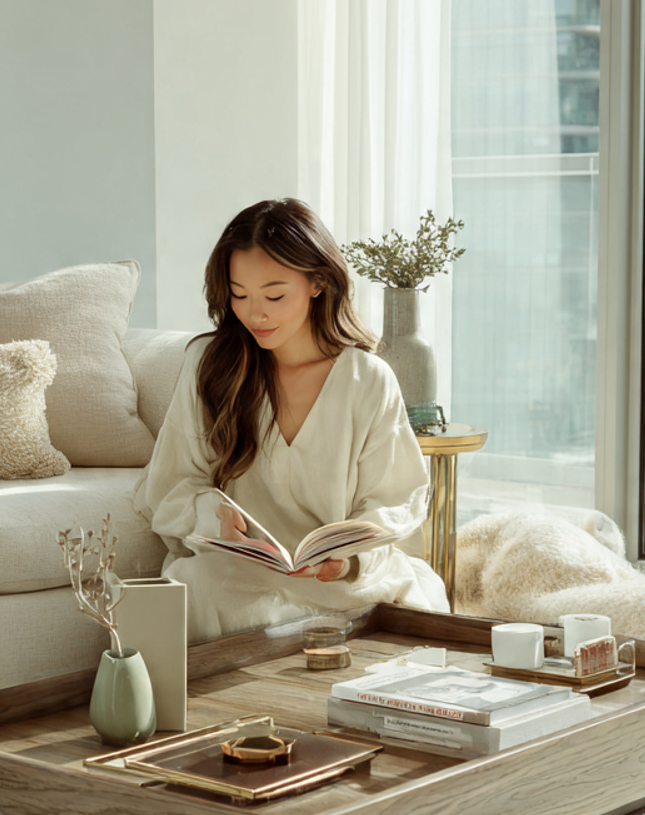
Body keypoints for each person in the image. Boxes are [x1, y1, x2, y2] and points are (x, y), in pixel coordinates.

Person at [134, 198, 449, 641]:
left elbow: (394, 501)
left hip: (341, 583)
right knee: (203, 594)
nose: (255, 314)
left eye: (275, 295)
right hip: (240, 573)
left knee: (412, 609)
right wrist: (214, 518)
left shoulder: (366, 379)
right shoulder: (210, 365)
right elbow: (170, 485)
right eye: (239, 294)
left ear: (318, 282)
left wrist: (348, 559)